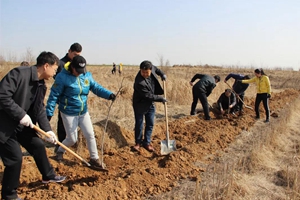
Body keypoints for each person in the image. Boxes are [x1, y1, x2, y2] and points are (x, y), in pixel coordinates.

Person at [0, 52, 66, 200]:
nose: (55, 72)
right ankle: (9, 195)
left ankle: (48, 175)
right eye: (55, 69)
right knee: (15, 158)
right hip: (4, 124)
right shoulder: (19, 73)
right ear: (46, 66)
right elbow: (2, 95)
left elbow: (38, 110)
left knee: (37, 144)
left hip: (19, 124)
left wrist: (48, 131)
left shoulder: (41, 85)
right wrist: (20, 114)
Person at [46, 55, 116, 168]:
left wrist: (109, 94)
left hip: (83, 111)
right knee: (72, 139)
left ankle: (94, 159)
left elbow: (96, 87)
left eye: (82, 71)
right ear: (72, 67)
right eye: (77, 70)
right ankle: (59, 151)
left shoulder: (86, 75)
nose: (80, 73)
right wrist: (49, 113)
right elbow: (53, 96)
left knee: (90, 134)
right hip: (68, 112)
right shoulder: (62, 77)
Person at [132, 60, 167, 152]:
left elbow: (157, 70)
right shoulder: (139, 82)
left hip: (150, 103)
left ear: (150, 70)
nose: (144, 74)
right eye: (142, 72)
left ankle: (146, 142)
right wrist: (160, 98)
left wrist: (162, 74)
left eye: (146, 72)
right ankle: (138, 143)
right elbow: (147, 96)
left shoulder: (152, 68)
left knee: (150, 123)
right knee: (139, 124)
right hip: (140, 103)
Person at [54, 43, 82, 153]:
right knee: (62, 121)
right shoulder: (61, 64)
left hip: (74, 98)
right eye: (74, 54)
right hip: (63, 97)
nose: (76, 57)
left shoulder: (78, 62)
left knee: (75, 121)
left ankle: (71, 141)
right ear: (69, 51)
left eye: (78, 55)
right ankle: (61, 143)